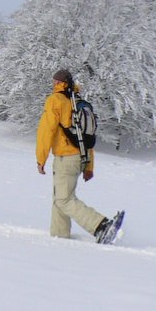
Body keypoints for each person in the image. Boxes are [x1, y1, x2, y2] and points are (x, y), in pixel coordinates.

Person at [36, 69, 119, 241]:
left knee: (64, 199)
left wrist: (40, 158)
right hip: (80, 158)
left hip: (65, 159)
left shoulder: (55, 100)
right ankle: (59, 236)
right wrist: (88, 166)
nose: (53, 84)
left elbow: (46, 131)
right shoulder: (78, 102)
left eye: (55, 81)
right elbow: (86, 137)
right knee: (59, 198)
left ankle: (101, 226)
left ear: (60, 83)